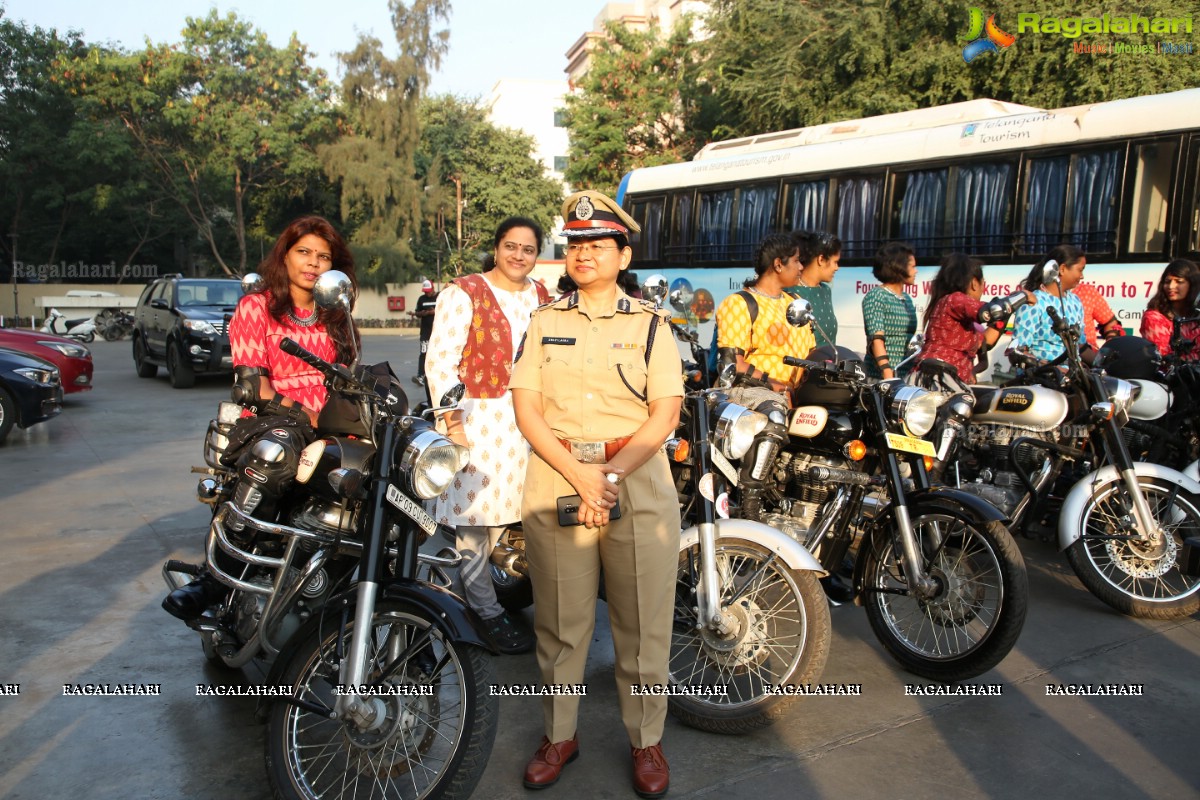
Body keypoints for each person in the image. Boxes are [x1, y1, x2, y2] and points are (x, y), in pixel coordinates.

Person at [509, 190, 683, 799]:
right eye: (575, 244)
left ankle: (647, 741)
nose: (583, 254)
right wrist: (578, 472)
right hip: (557, 474)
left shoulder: (652, 324)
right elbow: (526, 407)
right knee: (560, 620)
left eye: (597, 244)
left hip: (634, 479)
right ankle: (560, 735)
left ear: (622, 253)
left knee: (643, 621)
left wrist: (607, 476)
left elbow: (665, 413)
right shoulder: (544, 321)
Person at [162, 215, 358, 620]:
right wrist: (307, 414)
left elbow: (350, 379)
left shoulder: (338, 315)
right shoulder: (258, 307)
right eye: (303, 252)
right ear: (283, 256)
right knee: (276, 454)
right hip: (274, 419)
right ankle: (217, 579)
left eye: (324, 256)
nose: (313, 263)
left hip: (332, 423)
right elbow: (252, 389)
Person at [424, 217, 550, 655]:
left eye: (528, 249)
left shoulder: (542, 296)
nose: (518, 255)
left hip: (528, 421)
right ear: (496, 249)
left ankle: (489, 595)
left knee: (512, 519)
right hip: (478, 417)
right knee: (475, 523)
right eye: (510, 246)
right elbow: (441, 361)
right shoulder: (464, 292)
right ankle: (484, 612)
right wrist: (451, 423)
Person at [916, 253, 1033, 385]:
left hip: (948, 380)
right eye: (983, 283)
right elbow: (991, 311)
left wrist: (1009, 310)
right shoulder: (954, 300)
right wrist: (1022, 296)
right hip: (938, 380)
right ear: (974, 283)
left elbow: (986, 342)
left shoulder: (960, 317)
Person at [1011, 244, 1088, 363]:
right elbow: (1019, 351)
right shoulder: (1033, 302)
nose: (1082, 276)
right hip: (1043, 377)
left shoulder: (1075, 301)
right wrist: (1052, 368)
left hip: (1074, 376)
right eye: (1080, 270)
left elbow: (1080, 345)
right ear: (1062, 269)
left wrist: (1103, 362)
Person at [862, 242, 918, 380]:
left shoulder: (906, 299)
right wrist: (887, 372)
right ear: (898, 267)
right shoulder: (876, 296)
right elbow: (876, 339)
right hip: (882, 377)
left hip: (905, 374)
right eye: (912, 266)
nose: (916, 271)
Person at [788, 230, 841, 348]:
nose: (837, 268)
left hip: (828, 363)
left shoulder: (825, 290)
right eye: (835, 262)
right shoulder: (790, 292)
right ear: (821, 259)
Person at [1140, 258, 1200, 359]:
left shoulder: (1196, 315)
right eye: (1167, 281)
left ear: (1192, 285)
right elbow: (1164, 358)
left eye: (1178, 281)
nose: (1171, 286)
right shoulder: (1154, 318)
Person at [412, 279, 438, 388]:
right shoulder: (421, 299)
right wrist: (420, 313)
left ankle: (436, 376)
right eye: (425, 291)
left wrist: (432, 311)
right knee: (423, 353)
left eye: (428, 291)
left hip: (438, 332)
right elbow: (418, 312)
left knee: (437, 354)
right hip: (425, 332)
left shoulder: (439, 297)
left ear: (433, 288)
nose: (427, 293)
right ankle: (421, 376)